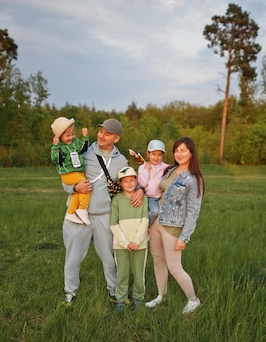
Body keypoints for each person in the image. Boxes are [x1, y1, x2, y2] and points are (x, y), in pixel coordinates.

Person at [61, 118, 144, 305]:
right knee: (73, 256)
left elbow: (128, 184)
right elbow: (65, 178)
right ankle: (70, 292)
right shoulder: (83, 152)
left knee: (109, 257)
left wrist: (139, 189)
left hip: (104, 215)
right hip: (77, 215)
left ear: (116, 138)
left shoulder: (121, 160)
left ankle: (114, 291)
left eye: (106, 133)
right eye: (100, 132)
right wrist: (75, 188)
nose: (101, 135)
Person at [145, 137, 204, 314]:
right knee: (158, 260)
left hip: (173, 227)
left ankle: (193, 300)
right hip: (156, 223)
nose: (179, 154)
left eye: (183, 150)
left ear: (191, 152)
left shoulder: (194, 179)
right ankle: (161, 295)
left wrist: (184, 238)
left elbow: (193, 211)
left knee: (174, 267)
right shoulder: (170, 170)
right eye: (176, 150)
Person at [110, 166, 149, 312]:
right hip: (121, 245)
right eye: (125, 181)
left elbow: (145, 221)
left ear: (136, 181)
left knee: (139, 274)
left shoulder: (142, 198)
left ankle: (138, 298)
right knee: (122, 273)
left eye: (132, 180)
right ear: (120, 183)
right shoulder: (116, 200)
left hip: (140, 244)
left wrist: (136, 241)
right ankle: (121, 299)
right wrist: (125, 243)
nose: (129, 184)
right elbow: (113, 224)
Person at [50, 117, 91, 225]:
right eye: (67, 136)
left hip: (77, 172)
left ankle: (71, 212)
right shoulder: (58, 147)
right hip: (68, 174)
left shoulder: (75, 142)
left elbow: (84, 149)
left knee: (77, 192)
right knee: (85, 186)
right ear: (59, 137)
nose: (71, 137)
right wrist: (55, 147)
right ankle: (82, 209)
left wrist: (85, 137)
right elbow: (57, 160)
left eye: (72, 134)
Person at [137, 140, 168, 226]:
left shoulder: (166, 167)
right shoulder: (142, 168)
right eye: (153, 154)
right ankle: (146, 226)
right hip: (149, 196)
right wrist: (146, 170)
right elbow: (142, 183)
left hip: (161, 196)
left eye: (159, 154)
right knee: (154, 211)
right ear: (148, 154)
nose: (156, 157)